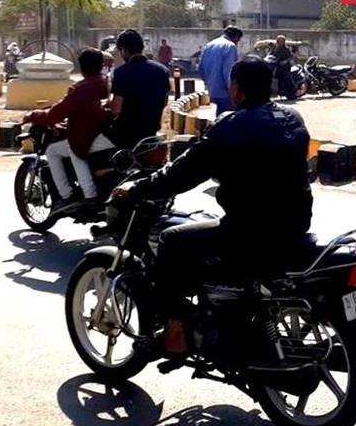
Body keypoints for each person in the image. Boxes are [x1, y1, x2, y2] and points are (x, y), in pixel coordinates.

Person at [113, 57, 312, 355]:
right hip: (295, 224)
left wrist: (137, 189)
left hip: (250, 231)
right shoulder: (292, 117)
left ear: (236, 89)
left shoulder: (231, 126)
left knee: (171, 240)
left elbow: (183, 172)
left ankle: (176, 332)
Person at [23, 48, 114, 213]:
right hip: (106, 133)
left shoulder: (80, 89)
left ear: (80, 67)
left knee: (55, 151)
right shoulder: (106, 83)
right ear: (101, 66)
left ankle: (71, 196)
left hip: (89, 135)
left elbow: (55, 114)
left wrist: (33, 115)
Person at [108, 29, 170, 150]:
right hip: (151, 130)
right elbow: (165, 101)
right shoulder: (162, 70)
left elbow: (116, 109)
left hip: (127, 134)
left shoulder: (121, 72)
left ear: (124, 50)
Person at [198, 24, 243, 115]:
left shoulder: (209, 45)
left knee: (218, 119)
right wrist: (233, 93)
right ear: (235, 37)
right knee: (228, 120)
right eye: (238, 40)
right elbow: (229, 72)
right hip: (225, 93)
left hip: (212, 91)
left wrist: (208, 84)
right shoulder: (230, 47)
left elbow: (200, 68)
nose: (237, 43)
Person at [270, 34, 296, 100]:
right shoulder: (275, 48)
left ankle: (291, 94)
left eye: (282, 41)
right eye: (279, 41)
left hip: (285, 67)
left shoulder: (286, 49)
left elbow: (291, 57)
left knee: (287, 79)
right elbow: (271, 55)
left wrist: (285, 61)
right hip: (277, 66)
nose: (280, 42)